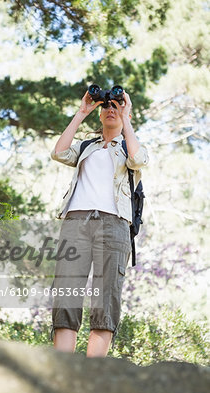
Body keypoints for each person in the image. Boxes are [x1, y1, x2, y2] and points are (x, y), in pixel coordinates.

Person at [50, 89, 148, 357]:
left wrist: (126, 117)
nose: (110, 109)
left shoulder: (129, 147)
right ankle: (63, 367)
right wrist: (82, 112)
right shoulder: (87, 146)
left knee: (106, 297)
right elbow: (58, 152)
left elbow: (138, 161)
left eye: (116, 105)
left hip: (113, 224)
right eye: (106, 105)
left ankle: (94, 373)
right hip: (76, 221)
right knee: (67, 292)